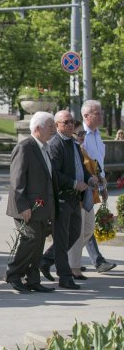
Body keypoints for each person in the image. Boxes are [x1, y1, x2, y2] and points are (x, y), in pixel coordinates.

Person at [39, 111, 97, 290]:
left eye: (72, 121)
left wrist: (89, 178)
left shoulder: (72, 143)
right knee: (63, 238)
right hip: (62, 198)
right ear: (57, 126)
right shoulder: (55, 144)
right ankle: (65, 277)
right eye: (66, 122)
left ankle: (46, 259)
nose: (71, 125)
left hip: (74, 199)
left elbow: (80, 168)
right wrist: (73, 183)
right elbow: (54, 173)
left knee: (73, 235)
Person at [5, 111, 58, 293]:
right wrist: (23, 206)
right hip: (27, 206)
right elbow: (17, 180)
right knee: (31, 239)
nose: (54, 130)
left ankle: (33, 279)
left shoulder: (44, 148)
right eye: (51, 127)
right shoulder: (25, 147)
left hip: (42, 207)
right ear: (37, 129)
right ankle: (13, 274)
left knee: (39, 242)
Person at [74, 100, 117, 277]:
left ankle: (71, 260)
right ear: (86, 116)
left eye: (101, 112)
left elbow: (99, 162)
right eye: (97, 113)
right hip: (83, 187)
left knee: (84, 228)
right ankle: (96, 260)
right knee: (85, 227)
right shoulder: (79, 135)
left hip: (95, 185)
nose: (101, 116)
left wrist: (103, 184)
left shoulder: (98, 134)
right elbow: (81, 164)